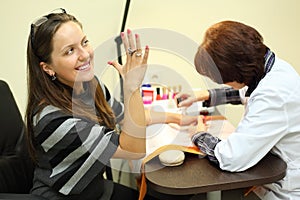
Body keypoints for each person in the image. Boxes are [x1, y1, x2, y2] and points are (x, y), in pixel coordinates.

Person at [25, 8, 197, 200]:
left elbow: (127, 118)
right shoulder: (54, 121)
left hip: (97, 189)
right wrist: (131, 88)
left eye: (84, 42)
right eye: (70, 51)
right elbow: (133, 149)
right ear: (48, 68)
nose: (85, 55)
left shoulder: (89, 85)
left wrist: (177, 118)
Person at [177, 20, 300, 199]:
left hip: (284, 190)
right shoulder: (271, 67)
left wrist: (198, 134)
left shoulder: (273, 95)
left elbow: (230, 158)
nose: (223, 83)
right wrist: (206, 95)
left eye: (223, 79)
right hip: (268, 174)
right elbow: (246, 92)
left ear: (238, 72)